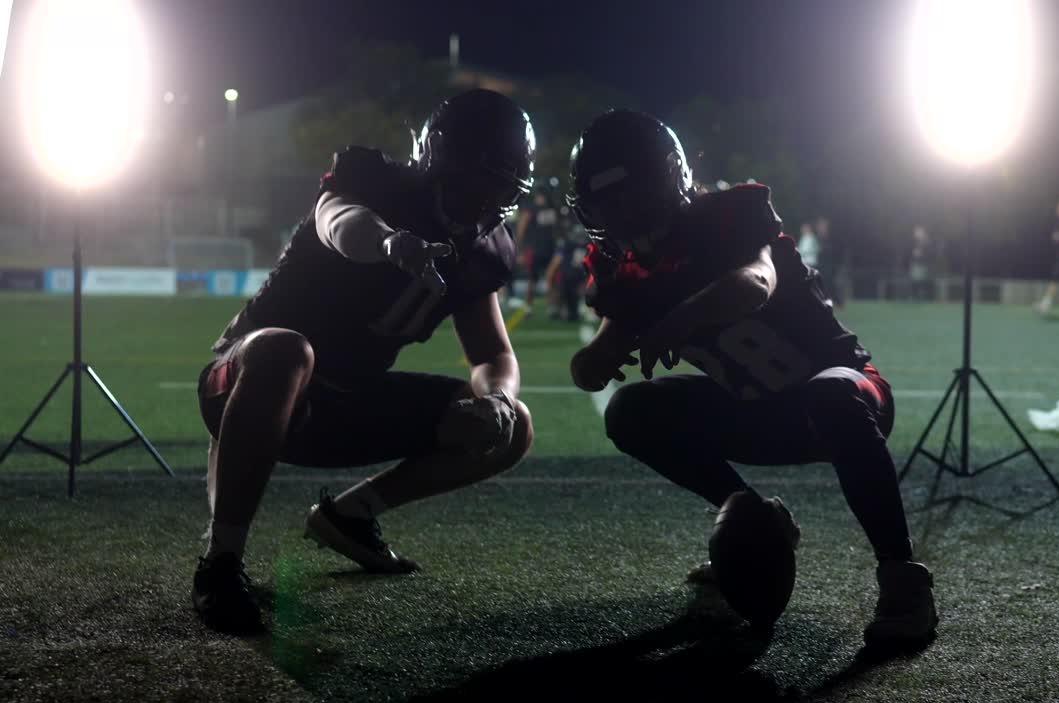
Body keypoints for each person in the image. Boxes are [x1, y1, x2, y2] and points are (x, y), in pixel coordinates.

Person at [566, 110, 938, 648]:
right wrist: (590, 365)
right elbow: (597, 355)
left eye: (629, 198)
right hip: (756, 413)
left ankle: (903, 578)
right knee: (631, 410)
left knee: (829, 393)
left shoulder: (727, 214)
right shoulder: (622, 269)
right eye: (605, 205)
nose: (620, 216)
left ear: (664, 180)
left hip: (849, 393)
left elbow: (755, 283)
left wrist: (678, 320)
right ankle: (756, 519)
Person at [192, 89, 536, 634]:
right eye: (477, 183)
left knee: (511, 427)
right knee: (286, 349)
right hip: (249, 386)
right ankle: (221, 561)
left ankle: (349, 517)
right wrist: (390, 243)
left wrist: (497, 396)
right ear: (440, 165)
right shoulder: (373, 180)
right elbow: (338, 221)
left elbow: (494, 353)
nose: (487, 205)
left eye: (501, 190)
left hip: (346, 402)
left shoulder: (485, 247)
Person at [514, 189, 559, 308]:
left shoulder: (551, 208)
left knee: (553, 277)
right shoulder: (531, 209)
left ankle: (553, 307)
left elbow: (555, 229)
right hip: (534, 249)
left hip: (550, 247)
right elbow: (521, 229)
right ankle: (528, 306)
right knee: (532, 279)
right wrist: (520, 249)